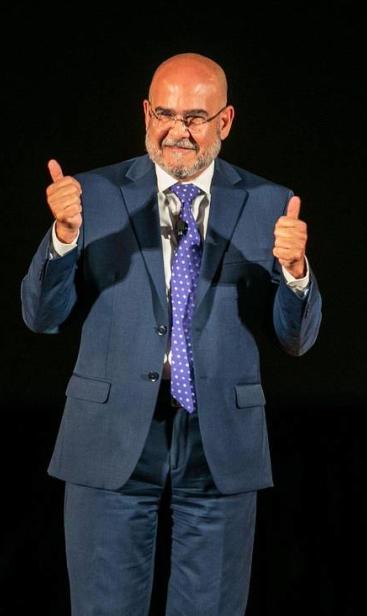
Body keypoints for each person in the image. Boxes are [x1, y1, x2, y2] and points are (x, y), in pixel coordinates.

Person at [21, 52, 322, 615]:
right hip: (110, 434)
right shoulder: (91, 195)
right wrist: (63, 238)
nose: (176, 131)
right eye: (164, 113)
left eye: (195, 117)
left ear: (225, 122)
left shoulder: (269, 205)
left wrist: (296, 274)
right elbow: (42, 315)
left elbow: (296, 338)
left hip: (219, 441)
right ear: (144, 113)